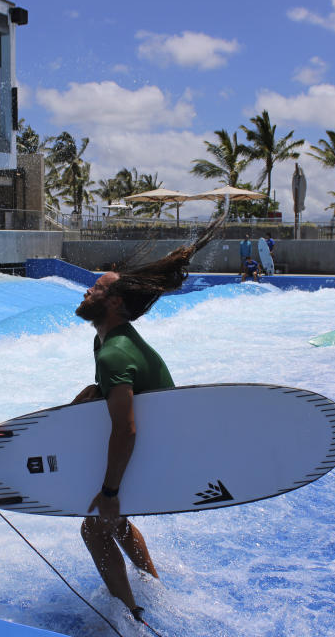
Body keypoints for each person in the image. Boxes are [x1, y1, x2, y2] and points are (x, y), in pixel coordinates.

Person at [71, 215, 224, 620]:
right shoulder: (110, 343)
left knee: (95, 525)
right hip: (167, 452)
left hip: (156, 459)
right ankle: (152, 584)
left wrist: (109, 492)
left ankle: (130, 617)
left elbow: (126, 427)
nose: (87, 289)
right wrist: (91, 394)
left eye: (96, 287)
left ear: (115, 302)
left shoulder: (114, 353)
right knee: (114, 524)